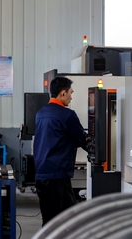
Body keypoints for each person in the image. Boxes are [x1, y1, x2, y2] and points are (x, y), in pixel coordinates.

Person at [33, 76, 89, 226]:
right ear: (63, 93)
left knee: (48, 218)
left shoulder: (40, 114)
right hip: (57, 175)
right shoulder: (67, 115)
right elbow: (82, 139)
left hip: (41, 174)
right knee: (67, 220)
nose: (72, 96)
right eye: (71, 92)